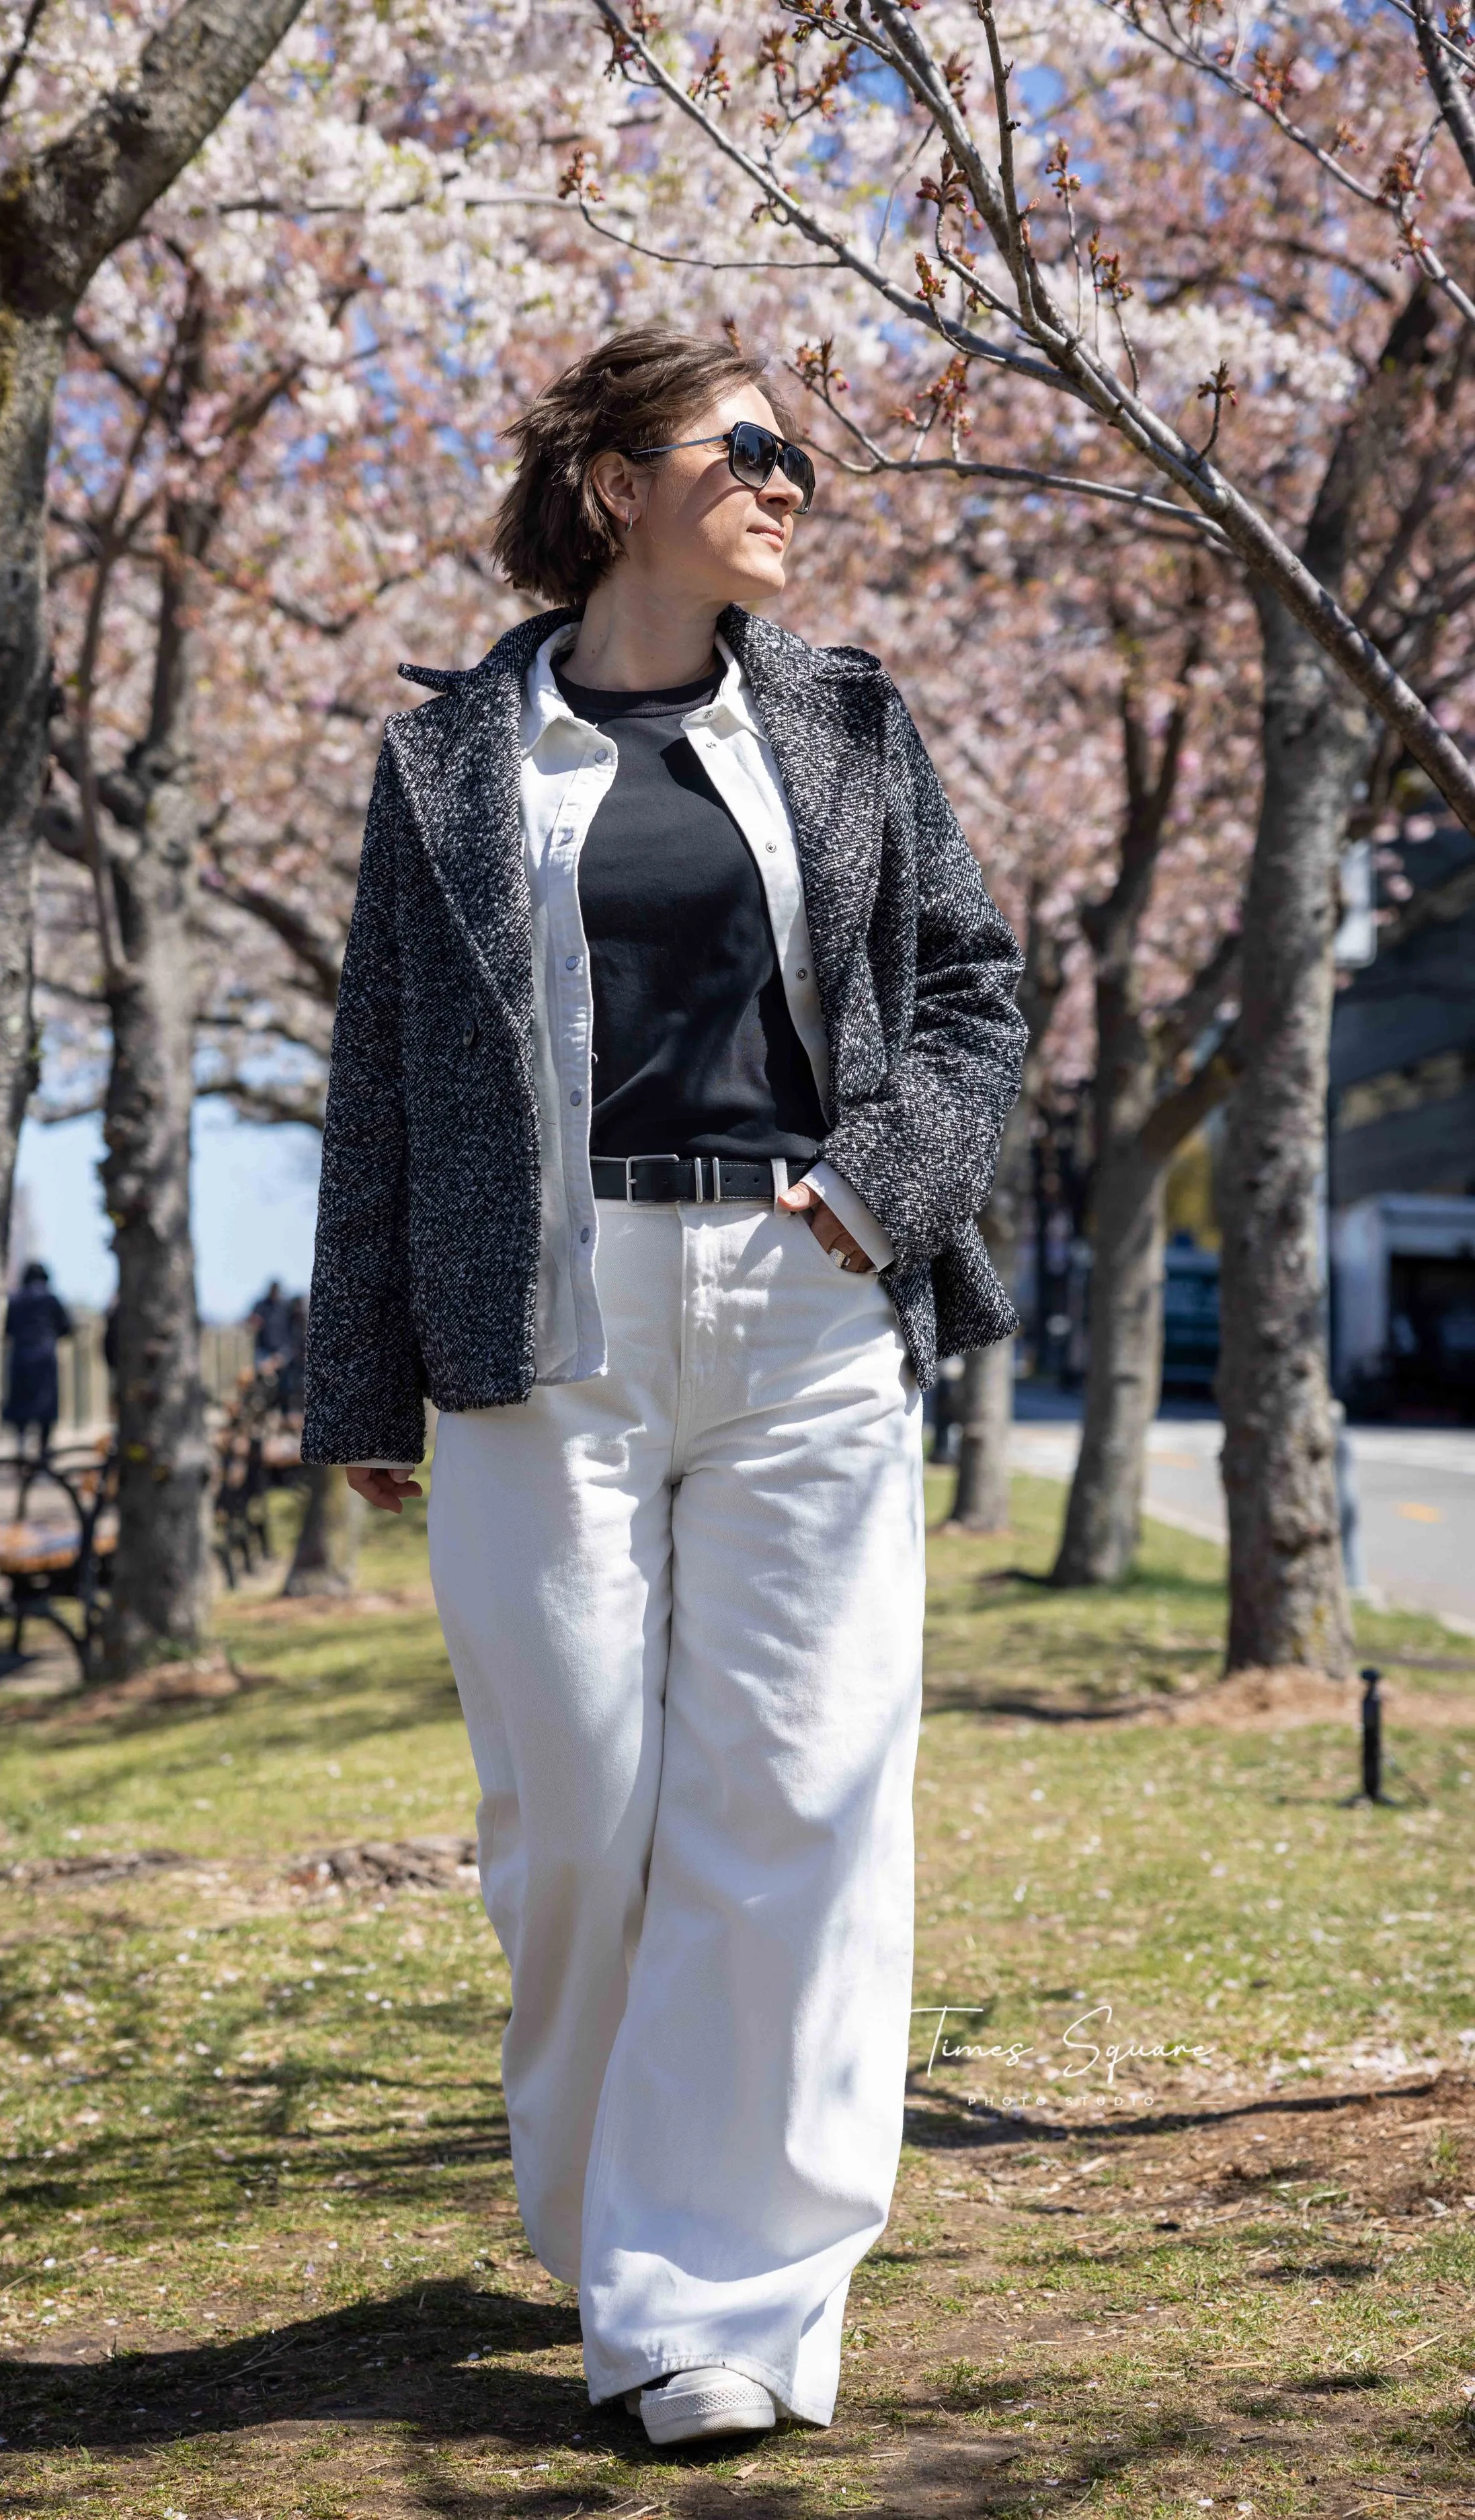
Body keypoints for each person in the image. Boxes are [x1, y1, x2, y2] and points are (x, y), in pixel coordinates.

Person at [302, 329, 1025, 2446]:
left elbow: (969, 991)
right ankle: (616, 2220)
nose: (792, 482)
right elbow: (372, 1082)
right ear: (616, 479)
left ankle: (720, 2290)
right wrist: (357, 1370)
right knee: (577, 1817)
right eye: (749, 449)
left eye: (801, 457)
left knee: (794, 1792)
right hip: (541, 1313)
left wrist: (870, 1195)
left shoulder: (849, 717)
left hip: (803, 1298)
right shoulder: (448, 760)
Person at [3, 1262, 73, 1459]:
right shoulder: (51, 1300)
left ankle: (21, 1448)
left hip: (20, 1357)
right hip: (45, 1357)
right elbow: (67, 1327)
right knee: (46, 1405)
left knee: (20, 1403)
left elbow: (6, 1329)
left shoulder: (15, 1300)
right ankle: (44, 1450)